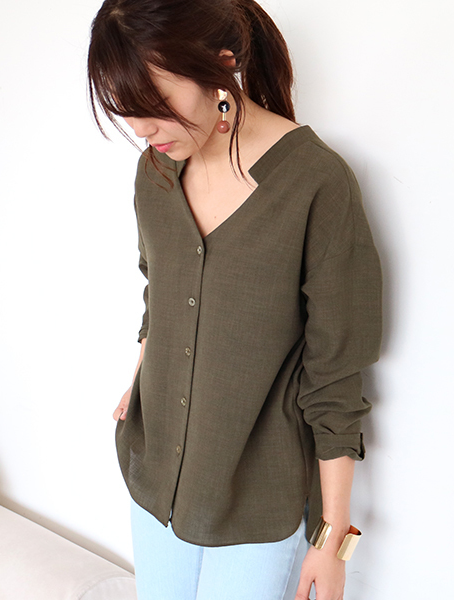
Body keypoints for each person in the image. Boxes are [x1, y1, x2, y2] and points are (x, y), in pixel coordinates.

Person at [87, 1, 382, 599]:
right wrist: (141, 371)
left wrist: (332, 540)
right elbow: (160, 288)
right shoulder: (156, 172)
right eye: (126, 110)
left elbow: (335, 373)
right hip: (154, 478)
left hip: (257, 503)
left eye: (153, 103)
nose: (142, 130)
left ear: (220, 65)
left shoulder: (316, 182)